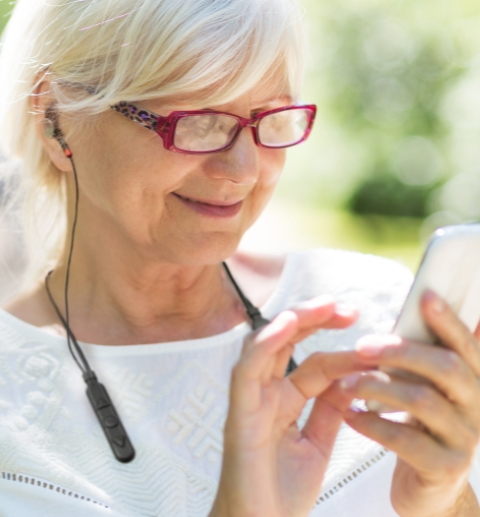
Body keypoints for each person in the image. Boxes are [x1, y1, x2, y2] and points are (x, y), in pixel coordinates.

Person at [0, 0, 479, 516]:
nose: (244, 169)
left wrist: (444, 500)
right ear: (54, 119)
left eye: (272, 118)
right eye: (199, 121)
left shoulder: (375, 313)